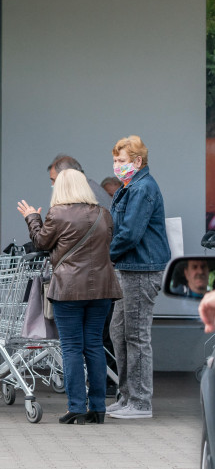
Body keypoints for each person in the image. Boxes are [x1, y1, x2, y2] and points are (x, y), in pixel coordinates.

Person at [18, 169, 122, 425]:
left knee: (72, 348)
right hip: (102, 289)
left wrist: (32, 217)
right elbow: (108, 245)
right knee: (95, 346)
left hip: (69, 290)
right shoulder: (103, 214)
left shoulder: (58, 214)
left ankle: (76, 406)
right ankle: (98, 408)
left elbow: (41, 242)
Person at [107, 135, 170, 420]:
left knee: (135, 335)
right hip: (130, 267)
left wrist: (105, 256)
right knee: (118, 332)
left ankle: (141, 402)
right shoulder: (130, 186)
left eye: (121, 160)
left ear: (137, 161)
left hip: (141, 270)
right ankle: (127, 396)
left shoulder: (143, 188)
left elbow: (130, 233)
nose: (116, 165)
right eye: (115, 160)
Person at [47, 154, 112, 207]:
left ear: (67, 176)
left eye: (55, 180)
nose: (53, 185)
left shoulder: (86, 194)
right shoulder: (87, 187)